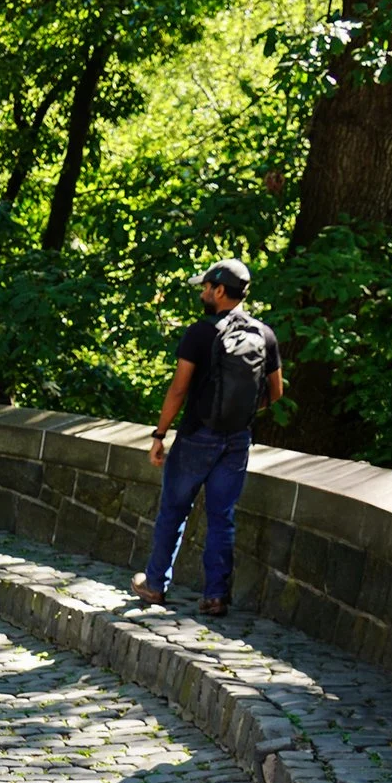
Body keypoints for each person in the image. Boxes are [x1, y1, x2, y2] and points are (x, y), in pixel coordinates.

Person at [130, 259, 283, 616]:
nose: (202, 293)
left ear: (218, 290)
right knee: (221, 517)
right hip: (237, 440)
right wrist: (240, 415)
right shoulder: (264, 335)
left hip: (198, 436)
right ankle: (215, 596)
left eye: (205, 287)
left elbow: (179, 389)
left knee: (173, 510)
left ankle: (154, 585)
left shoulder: (200, 333)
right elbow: (275, 393)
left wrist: (159, 434)